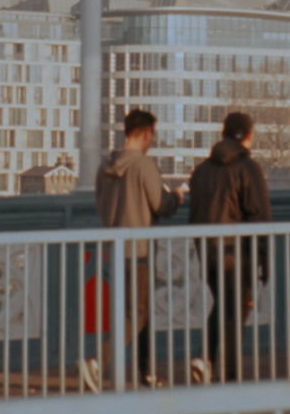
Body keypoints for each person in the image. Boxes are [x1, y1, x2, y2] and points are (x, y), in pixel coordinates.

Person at [94, 106, 179, 385]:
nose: (153, 141)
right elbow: (160, 205)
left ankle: (147, 372)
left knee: (131, 313)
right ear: (144, 133)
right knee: (139, 313)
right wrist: (177, 196)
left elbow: (100, 206)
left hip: (114, 249)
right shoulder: (144, 166)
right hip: (140, 250)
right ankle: (98, 360)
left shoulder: (104, 168)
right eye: (152, 136)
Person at [185, 109, 272, 382]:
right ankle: (230, 379)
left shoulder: (200, 172)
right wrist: (264, 260)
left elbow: (194, 213)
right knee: (238, 310)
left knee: (224, 304)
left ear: (223, 134)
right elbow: (261, 215)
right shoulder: (248, 168)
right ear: (247, 135)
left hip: (208, 253)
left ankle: (205, 360)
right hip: (237, 254)